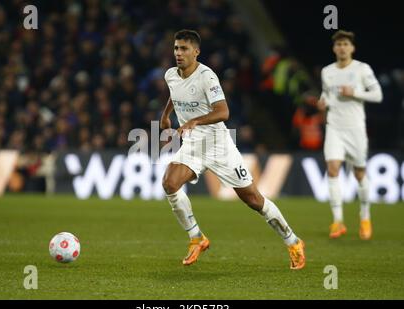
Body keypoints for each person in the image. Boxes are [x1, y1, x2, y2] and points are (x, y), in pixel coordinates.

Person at [160, 29, 305, 269]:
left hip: (219, 146)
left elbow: (223, 112)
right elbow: (175, 95)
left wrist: (195, 121)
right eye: (176, 48)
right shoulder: (170, 75)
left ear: (196, 52)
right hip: (194, 144)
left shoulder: (207, 77)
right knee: (169, 182)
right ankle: (197, 238)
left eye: (184, 48)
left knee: (253, 199)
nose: (178, 53)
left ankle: (294, 242)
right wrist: (166, 116)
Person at [317, 30, 383, 240]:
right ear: (334, 48)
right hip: (334, 126)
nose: (342, 48)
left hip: (355, 128)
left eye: (345, 44)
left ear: (352, 48)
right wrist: (322, 102)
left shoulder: (362, 69)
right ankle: (337, 221)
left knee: (359, 174)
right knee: (333, 169)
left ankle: (365, 216)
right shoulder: (327, 71)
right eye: (338, 45)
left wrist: (354, 92)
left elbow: (377, 95)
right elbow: (326, 94)